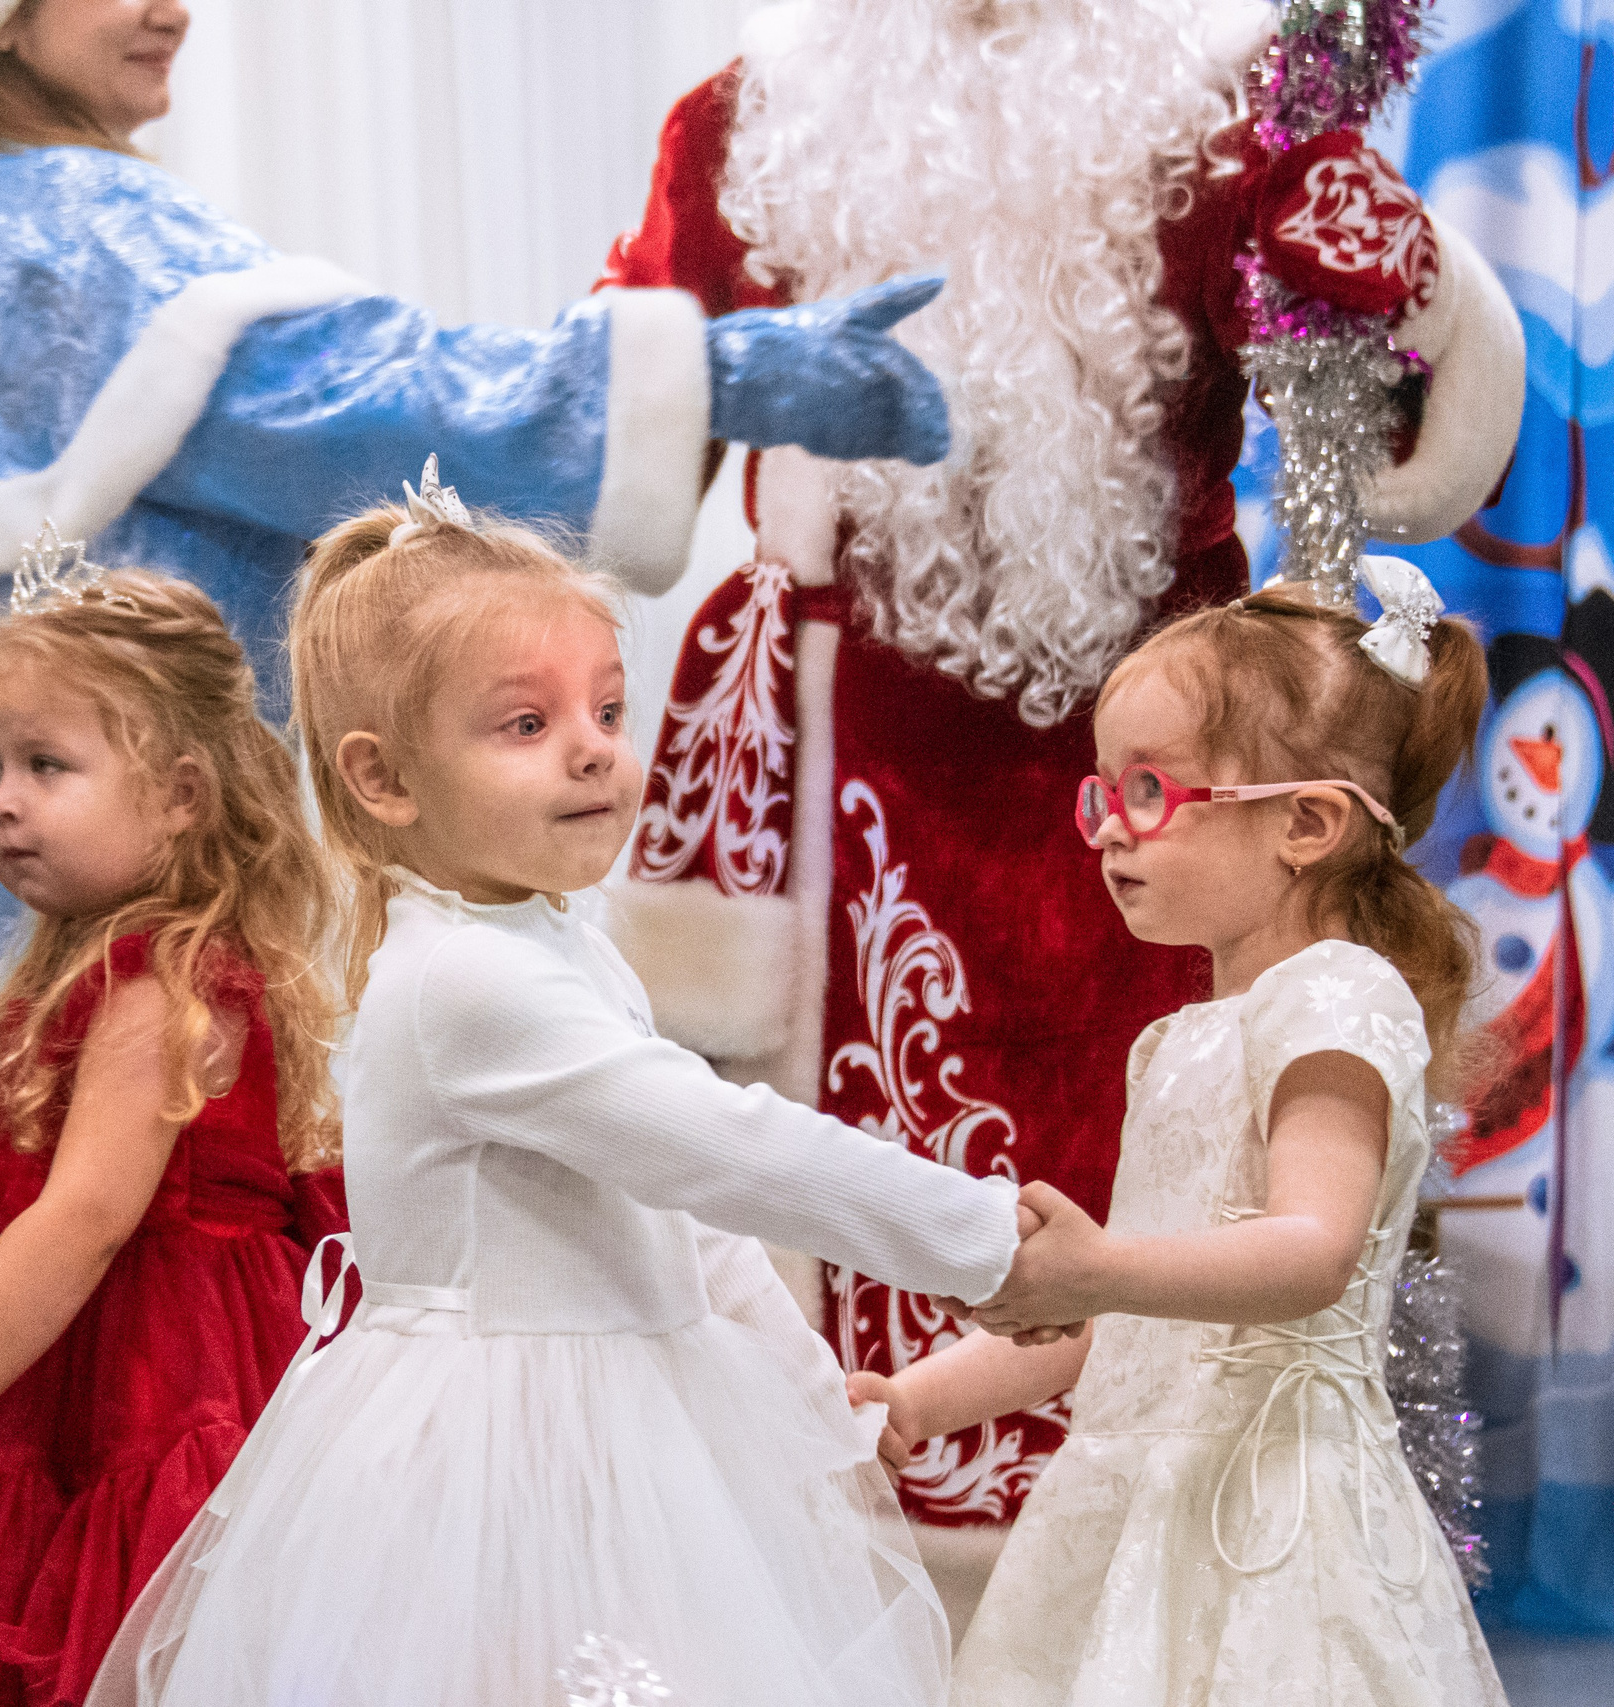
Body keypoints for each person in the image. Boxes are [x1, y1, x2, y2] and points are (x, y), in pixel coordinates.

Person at [0, 0, 959, 1302]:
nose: (171, 8)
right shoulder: (80, 231)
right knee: (126, 1348)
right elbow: (378, 403)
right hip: (116, 890)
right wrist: (723, 369)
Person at [598, 0, 1524, 1538]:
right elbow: (618, 459)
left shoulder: (1238, 110)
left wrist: (1384, 267)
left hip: (1189, 773)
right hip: (848, 784)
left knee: (1199, 1172)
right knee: (843, 1240)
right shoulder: (738, 126)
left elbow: (1394, 440)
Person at [85, 476, 1036, 1707]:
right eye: (524, 725)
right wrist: (986, 1241)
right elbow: (718, 1145)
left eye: (605, 708)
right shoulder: (469, 982)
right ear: (382, 780)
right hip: (496, 1455)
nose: (593, 747)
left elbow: (680, 1217)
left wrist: (810, 1388)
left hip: (623, 1423)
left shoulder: (557, 941)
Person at [849, 559, 1511, 1704]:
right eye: (1100, 796)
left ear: (1304, 823)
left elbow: (1312, 1247)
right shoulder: (1180, 1041)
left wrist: (1100, 1263)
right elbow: (1126, 1322)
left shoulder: (1337, 998)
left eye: (1149, 793)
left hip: (1272, 1528)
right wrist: (923, 1398)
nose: (1108, 832)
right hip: (1131, 1514)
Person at [0, 559, 349, 1707]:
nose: (3, 799)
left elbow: (84, 1222)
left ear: (179, 795)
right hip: (81, 1364)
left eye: (47, 766)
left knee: (121, 1623)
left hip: (165, 1379)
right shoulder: (100, 964)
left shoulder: (161, 981)